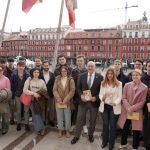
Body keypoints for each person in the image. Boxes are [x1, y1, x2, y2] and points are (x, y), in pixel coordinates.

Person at [71, 61, 103, 144]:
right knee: (79, 119)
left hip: (94, 103)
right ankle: (76, 136)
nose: (90, 68)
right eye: (89, 66)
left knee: (92, 120)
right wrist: (81, 95)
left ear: (95, 67)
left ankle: (90, 135)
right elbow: (78, 88)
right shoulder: (81, 76)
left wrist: (96, 98)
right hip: (83, 102)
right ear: (87, 66)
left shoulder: (100, 77)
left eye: (92, 66)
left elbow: (101, 90)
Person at [118, 69, 148, 150]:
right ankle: (123, 143)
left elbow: (143, 101)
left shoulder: (145, 87)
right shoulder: (127, 85)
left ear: (140, 76)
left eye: (137, 75)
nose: (135, 77)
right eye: (133, 75)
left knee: (136, 130)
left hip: (136, 111)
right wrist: (128, 107)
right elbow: (123, 97)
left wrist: (132, 108)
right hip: (126, 110)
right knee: (125, 128)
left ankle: (135, 146)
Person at [99, 68, 122, 150]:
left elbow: (120, 96)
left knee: (112, 126)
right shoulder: (103, 83)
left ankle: (111, 143)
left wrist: (115, 102)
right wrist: (102, 98)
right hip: (105, 106)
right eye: (108, 74)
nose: (109, 75)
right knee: (105, 125)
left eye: (111, 74)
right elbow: (100, 94)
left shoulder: (119, 84)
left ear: (114, 74)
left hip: (114, 107)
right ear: (106, 74)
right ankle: (104, 142)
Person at [23, 68, 47, 136]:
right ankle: (42, 128)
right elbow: (24, 90)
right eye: (35, 72)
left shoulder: (42, 81)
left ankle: (38, 128)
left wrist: (39, 94)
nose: (36, 73)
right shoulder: (29, 80)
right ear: (32, 73)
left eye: (38, 72)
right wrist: (33, 93)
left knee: (41, 114)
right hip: (32, 100)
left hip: (40, 100)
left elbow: (45, 90)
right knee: (35, 115)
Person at [53, 66, 75, 138]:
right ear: (60, 72)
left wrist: (65, 100)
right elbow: (54, 90)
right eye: (62, 71)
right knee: (59, 116)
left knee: (67, 117)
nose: (63, 73)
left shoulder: (70, 79)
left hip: (67, 102)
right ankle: (60, 130)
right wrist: (59, 99)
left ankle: (67, 130)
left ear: (67, 71)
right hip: (58, 101)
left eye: (65, 71)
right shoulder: (57, 79)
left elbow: (72, 90)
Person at [10, 61, 30, 131]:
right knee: (18, 110)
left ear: (24, 67)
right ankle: (18, 123)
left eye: (22, 66)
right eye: (20, 66)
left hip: (26, 94)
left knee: (26, 110)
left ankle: (26, 124)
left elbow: (29, 85)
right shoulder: (14, 74)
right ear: (17, 66)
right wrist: (13, 94)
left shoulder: (27, 74)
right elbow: (11, 85)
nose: (21, 67)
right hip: (17, 95)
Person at [71, 55, 87, 133]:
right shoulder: (74, 71)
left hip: (84, 94)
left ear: (83, 61)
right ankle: (74, 124)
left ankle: (84, 125)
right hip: (75, 94)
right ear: (76, 62)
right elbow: (71, 82)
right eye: (78, 61)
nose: (80, 62)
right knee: (74, 110)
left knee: (83, 110)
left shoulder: (86, 71)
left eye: (81, 60)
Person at [41, 60, 55, 126]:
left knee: (51, 108)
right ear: (42, 66)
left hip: (50, 94)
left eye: (47, 65)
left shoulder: (52, 75)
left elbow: (54, 85)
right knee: (43, 108)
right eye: (45, 65)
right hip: (42, 95)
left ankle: (51, 120)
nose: (46, 67)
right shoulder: (39, 74)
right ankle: (43, 120)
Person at [0, 67, 11, 134]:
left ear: (2, 71)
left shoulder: (6, 79)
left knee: (4, 115)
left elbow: (8, 89)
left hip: (4, 100)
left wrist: (3, 96)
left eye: (0, 71)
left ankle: (5, 128)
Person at [142, 61, 150, 150]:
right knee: (146, 125)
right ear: (146, 67)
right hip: (145, 105)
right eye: (149, 66)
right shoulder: (143, 78)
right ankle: (147, 143)